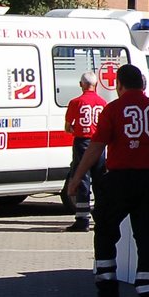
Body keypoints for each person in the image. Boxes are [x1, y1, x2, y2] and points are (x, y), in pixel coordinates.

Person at [65, 65, 149, 297]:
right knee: (148, 238)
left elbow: (96, 147)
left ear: (119, 85)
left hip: (120, 180)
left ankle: (107, 292)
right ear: (143, 84)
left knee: (104, 232)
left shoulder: (114, 109)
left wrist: (77, 176)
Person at [62, 72, 108, 232]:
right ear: (96, 85)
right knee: (100, 181)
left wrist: (74, 129)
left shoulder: (76, 102)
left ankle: (82, 219)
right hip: (99, 145)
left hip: (82, 143)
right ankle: (101, 217)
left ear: (81, 84)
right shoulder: (103, 103)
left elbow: (68, 127)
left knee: (82, 179)